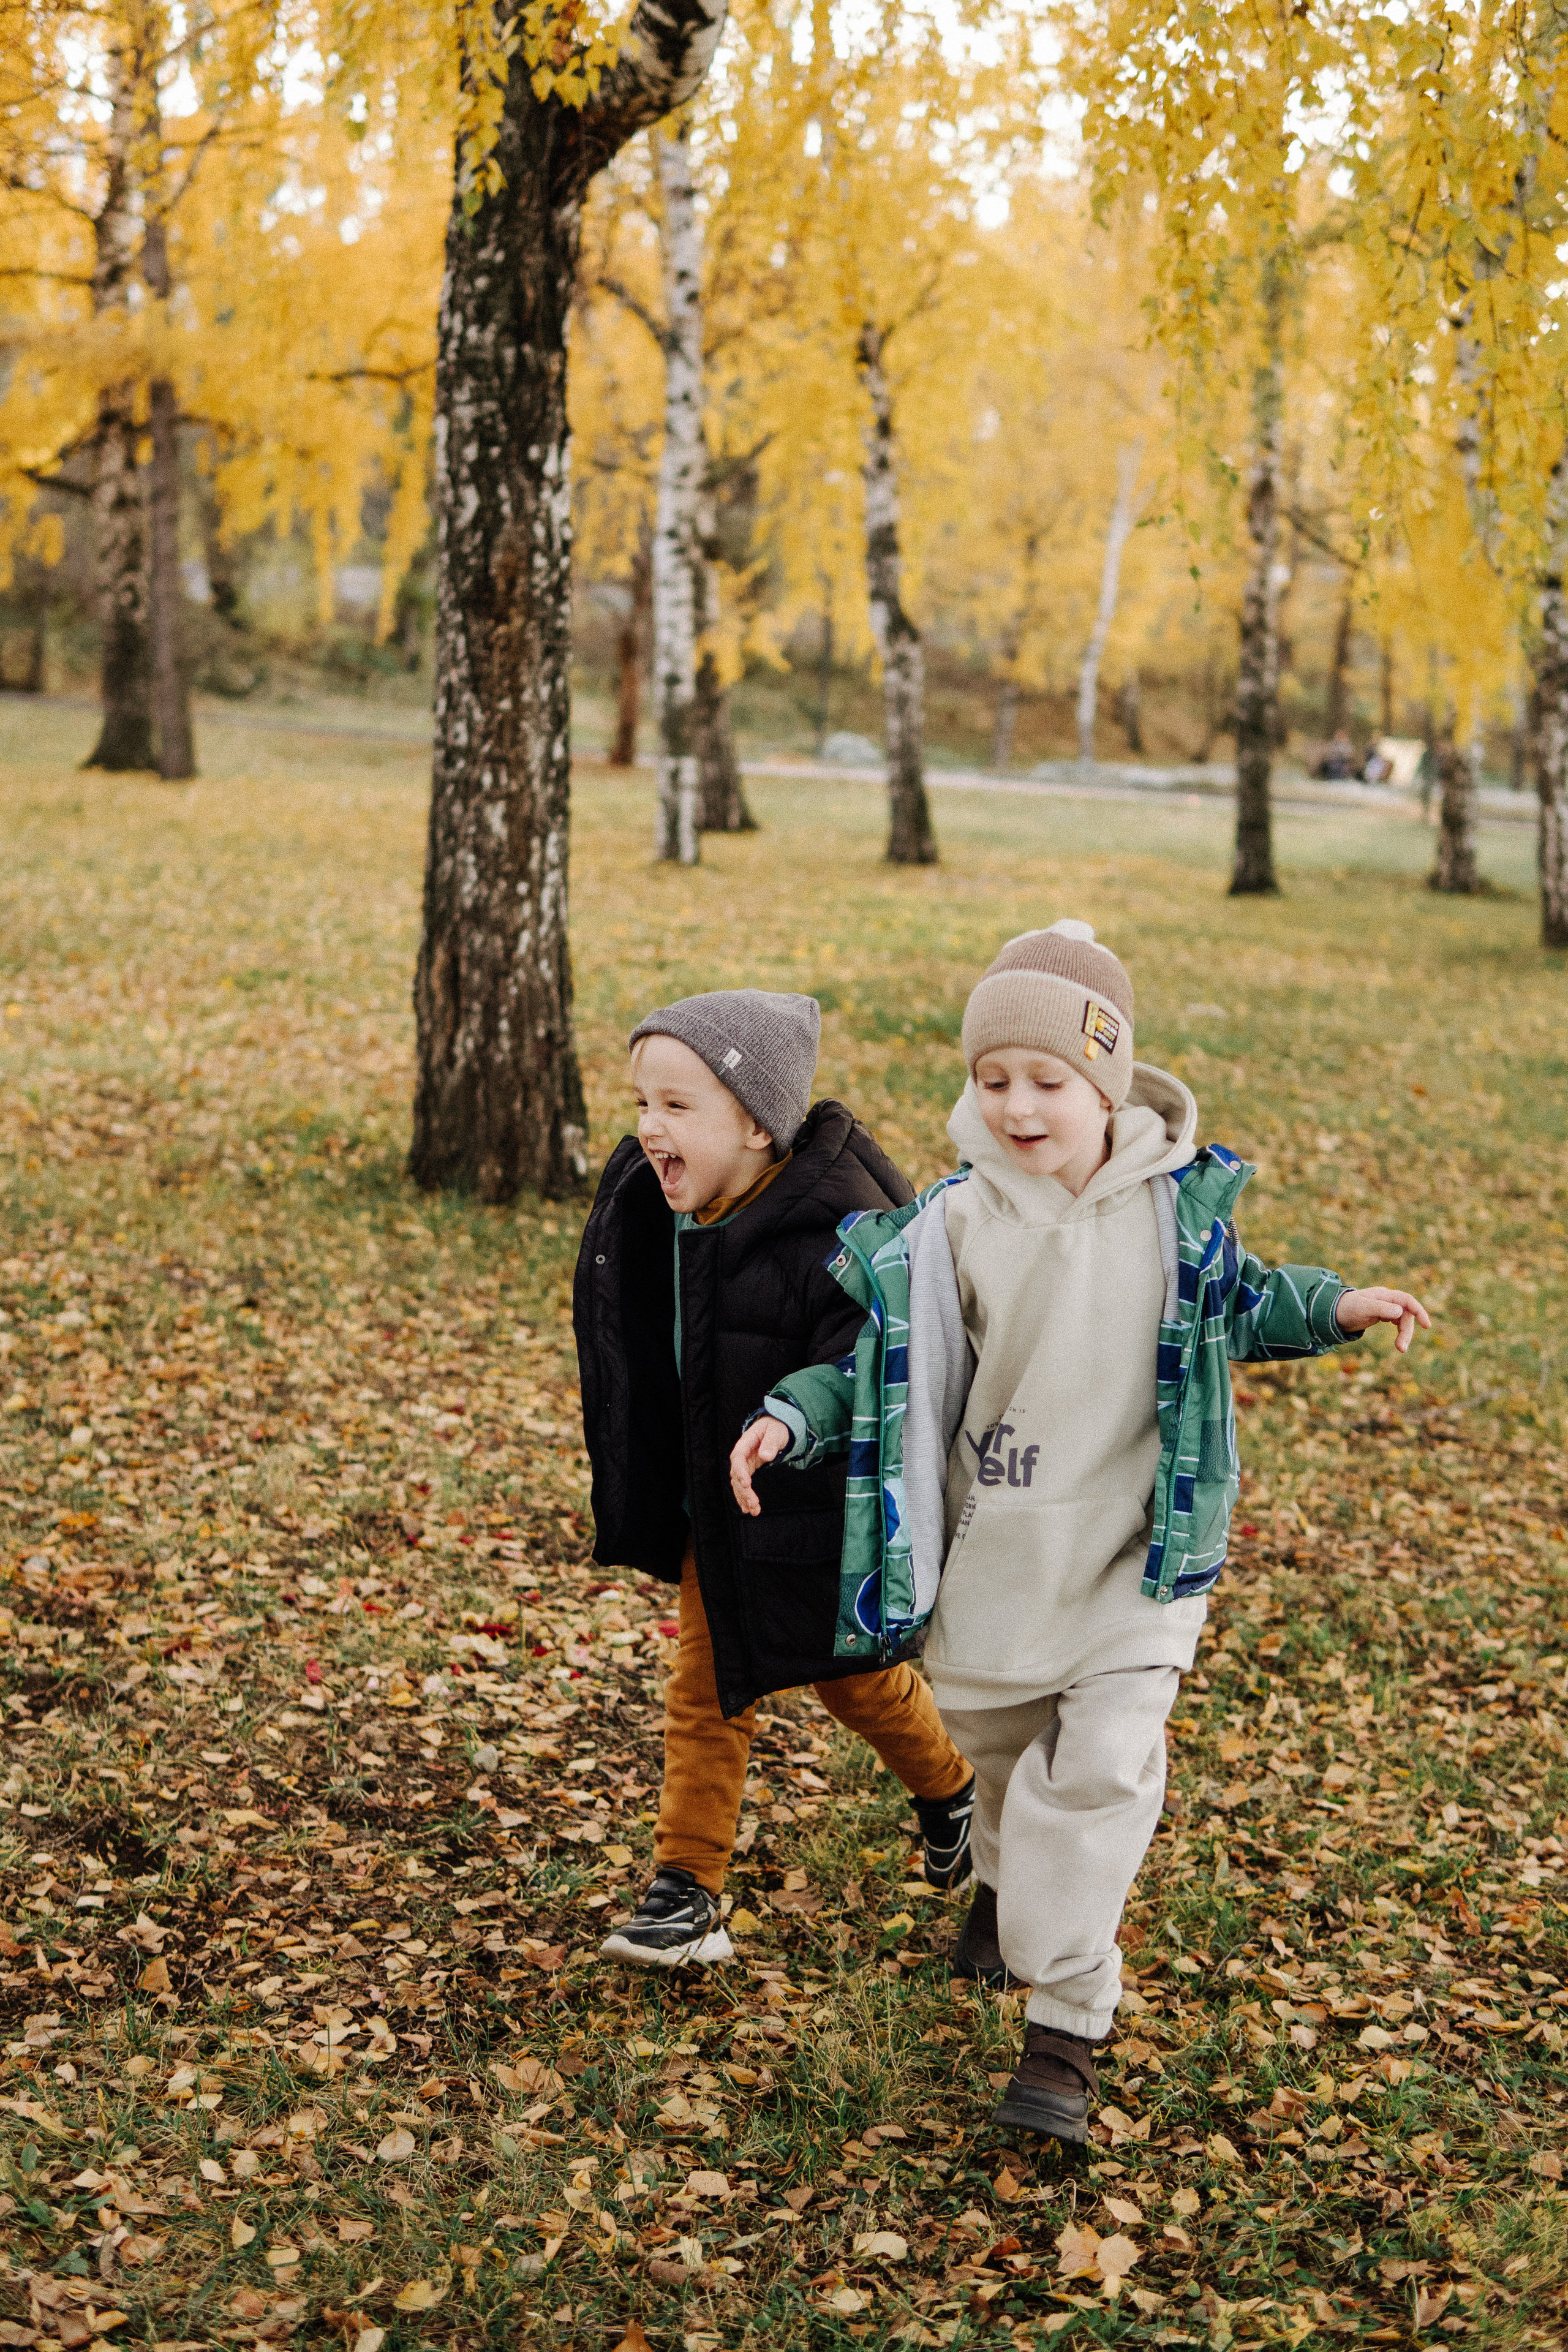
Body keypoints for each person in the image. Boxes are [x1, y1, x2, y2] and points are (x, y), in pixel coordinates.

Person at [731, 924, 1429, 2141]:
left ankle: (1062, 2030)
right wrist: (792, 1416)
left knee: (1098, 1765)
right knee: (1005, 1767)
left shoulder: (1167, 1211)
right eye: (991, 1078)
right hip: (998, 1557)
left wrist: (1339, 1308)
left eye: (1045, 1080)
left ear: (1104, 1084)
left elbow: (1243, 1299)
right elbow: (873, 1367)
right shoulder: (949, 1227)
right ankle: (999, 1887)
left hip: (1135, 1557)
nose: (1014, 1104)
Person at [573, 989, 975, 1970]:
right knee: (709, 1688)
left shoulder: (840, 1232)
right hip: (720, 1506)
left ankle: (954, 1786)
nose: (647, 1130)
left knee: (855, 1682)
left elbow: (865, 1362)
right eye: (640, 1103)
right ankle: (686, 1888)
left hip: (815, 1509)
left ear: (757, 1125)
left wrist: (787, 1421)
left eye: (676, 1107)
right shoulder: (654, 1198)